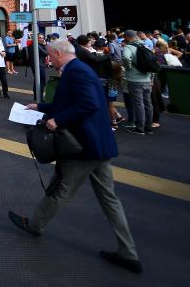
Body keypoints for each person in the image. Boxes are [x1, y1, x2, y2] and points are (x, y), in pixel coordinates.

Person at [8, 39, 142, 274]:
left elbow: (87, 104)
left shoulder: (76, 72)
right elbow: (70, 102)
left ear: (59, 54)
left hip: (82, 146)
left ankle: (36, 224)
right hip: (97, 146)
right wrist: (41, 106)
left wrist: (57, 120)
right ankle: (128, 252)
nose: (48, 60)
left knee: (61, 186)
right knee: (109, 198)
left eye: (49, 56)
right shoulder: (79, 70)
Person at [121, 29, 153, 135]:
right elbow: (152, 61)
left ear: (126, 37)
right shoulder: (145, 46)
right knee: (148, 103)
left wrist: (129, 67)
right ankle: (148, 127)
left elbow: (125, 57)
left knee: (138, 104)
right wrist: (151, 77)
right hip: (147, 79)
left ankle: (140, 128)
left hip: (135, 80)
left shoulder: (128, 47)